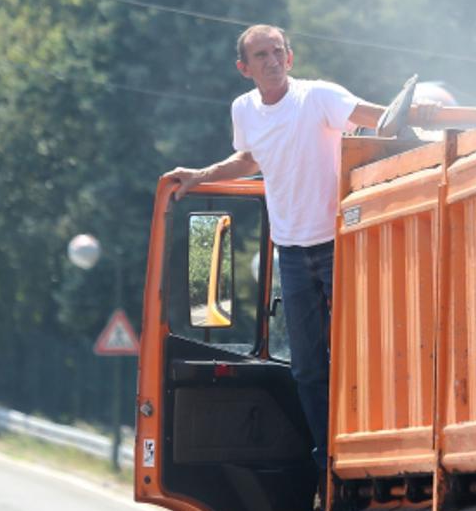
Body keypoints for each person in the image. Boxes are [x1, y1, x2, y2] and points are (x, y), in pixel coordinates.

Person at [167, 24, 393, 484]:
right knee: (308, 367)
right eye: (260, 55)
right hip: (290, 251)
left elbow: (380, 118)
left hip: (337, 242)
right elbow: (250, 159)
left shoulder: (319, 98)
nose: (271, 61)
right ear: (244, 68)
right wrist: (200, 174)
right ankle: (327, 458)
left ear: (290, 58)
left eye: (277, 52)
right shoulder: (244, 110)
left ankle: (372, 444)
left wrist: (419, 113)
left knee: (359, 351)